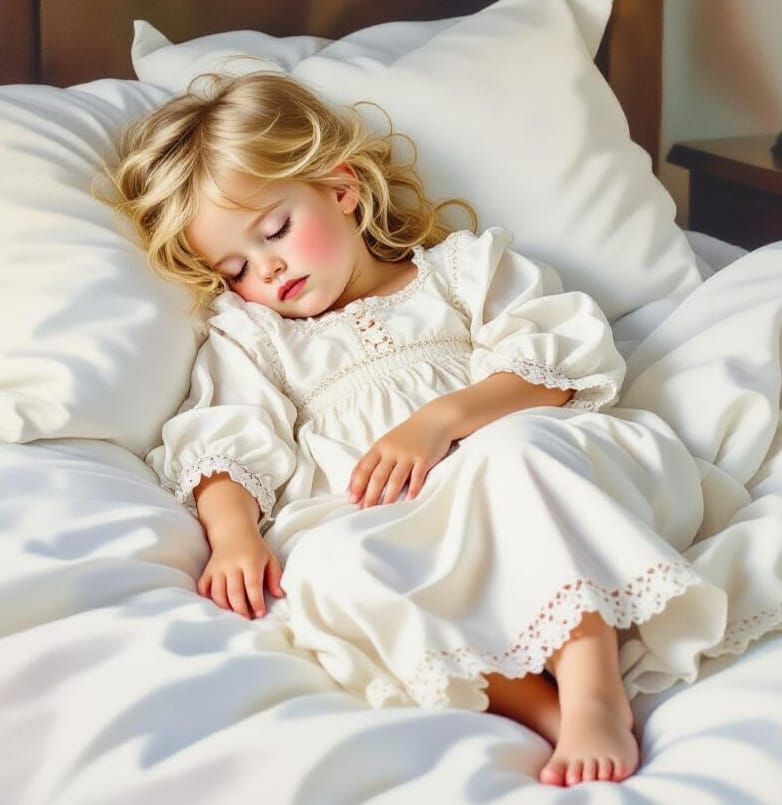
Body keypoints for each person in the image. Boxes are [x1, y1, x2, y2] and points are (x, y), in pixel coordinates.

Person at [98, 70, 729, 788]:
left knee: (514, 450)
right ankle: (544, 712)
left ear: (341, 190)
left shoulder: (460, 272)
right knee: (325, 570)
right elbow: (222, 437)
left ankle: (591, 686)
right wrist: (234, 531)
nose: (268, 269)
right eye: (236, 266)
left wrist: (439, 423)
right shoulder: (256, 338)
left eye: (274, 229)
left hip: (529, 483)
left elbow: (556, 363)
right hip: (406, 532)